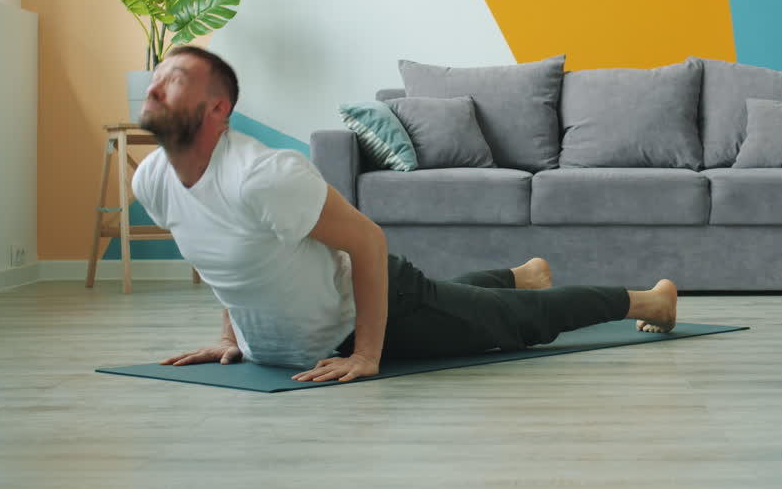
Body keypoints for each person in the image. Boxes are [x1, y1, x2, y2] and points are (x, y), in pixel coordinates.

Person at [134, 46, 679, 382]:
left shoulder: (264, 176)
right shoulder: (152, 179)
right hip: (292, 343)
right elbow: (228, 259)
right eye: (157, 77)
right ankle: (523, 274)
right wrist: (231, 338)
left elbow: (368, 241)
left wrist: (367, 354)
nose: (153, 86)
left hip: (375, 314)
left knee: (516, 322)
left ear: (218, 108)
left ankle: (650, 299)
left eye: (174, 79)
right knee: (457, 300)